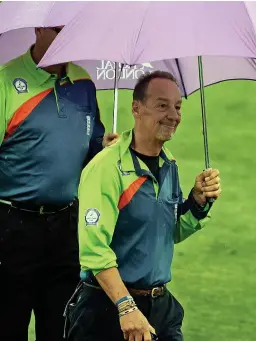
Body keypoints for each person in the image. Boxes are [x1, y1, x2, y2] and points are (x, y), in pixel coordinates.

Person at [65, 71, 222, 341]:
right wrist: (126, 307)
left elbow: (166, 232)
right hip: (106, 310)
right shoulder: (106, 168)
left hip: (159, 308)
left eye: (177, 106)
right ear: (137, 108)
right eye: (162, 105)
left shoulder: (168, 164)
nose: (173, 115)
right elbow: (94, 249)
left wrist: (197, 203)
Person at [0, 27, 118, 341]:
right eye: (58, 29)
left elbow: (92, 151)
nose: (68, 37)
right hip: (11, 230)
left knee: (61, 329)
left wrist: (106, 150)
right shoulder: (5, 82)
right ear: (38, 27)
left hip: (66, 229)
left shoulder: (82, 82)